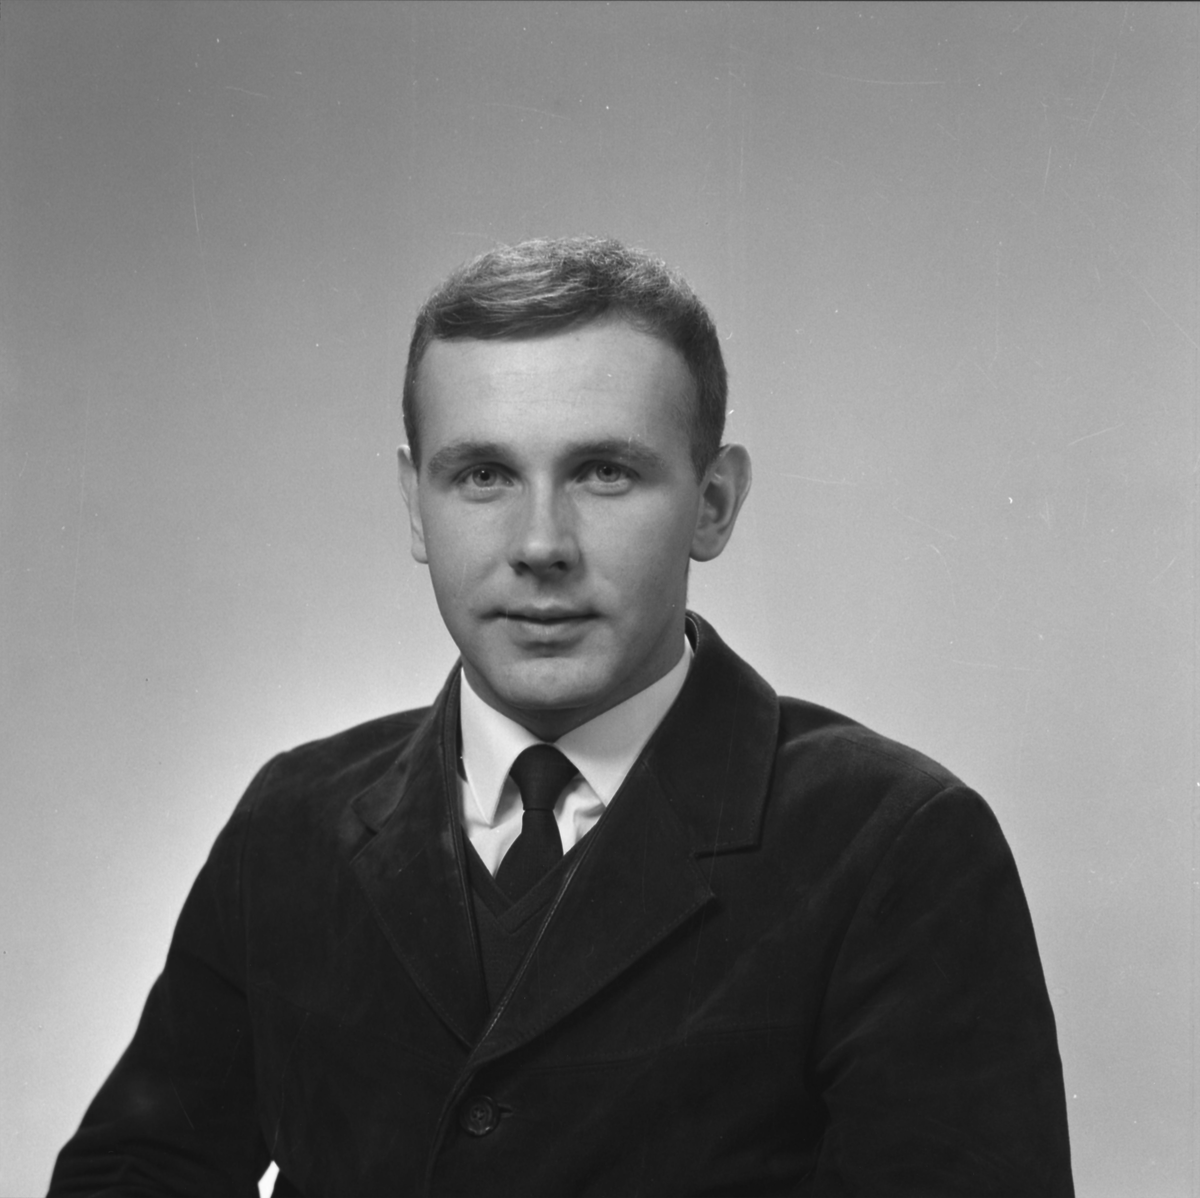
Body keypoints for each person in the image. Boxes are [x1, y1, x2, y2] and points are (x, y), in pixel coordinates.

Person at [50, 237, 1074, 1196]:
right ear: (416, 504)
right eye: (483, 475)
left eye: (604, 472)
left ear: (713, 502)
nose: (541, 544)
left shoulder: (897, 846)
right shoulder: (292, 821)